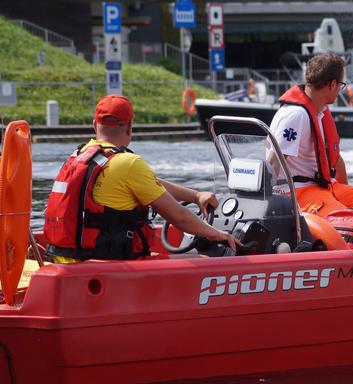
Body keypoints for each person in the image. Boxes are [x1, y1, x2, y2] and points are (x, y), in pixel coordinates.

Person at [44, 94, 240, 262]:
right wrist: (217, 234)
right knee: (205, 259)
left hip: (68, 259)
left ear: (95, 125)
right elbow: (179, 217)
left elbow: (152, 184)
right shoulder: (128, 163)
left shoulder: (80, 155)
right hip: (105, 265)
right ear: (129, 127)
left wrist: (196, 196)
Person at [268, 54, 353, 245]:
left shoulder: (320, 111)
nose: (341, 89)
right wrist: (269, 204)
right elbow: (275, 160)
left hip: (325, 187)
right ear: (332, 84)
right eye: (341, 85)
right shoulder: (296, 115)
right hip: (301, 192)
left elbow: (335, 160)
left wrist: (345, 194)